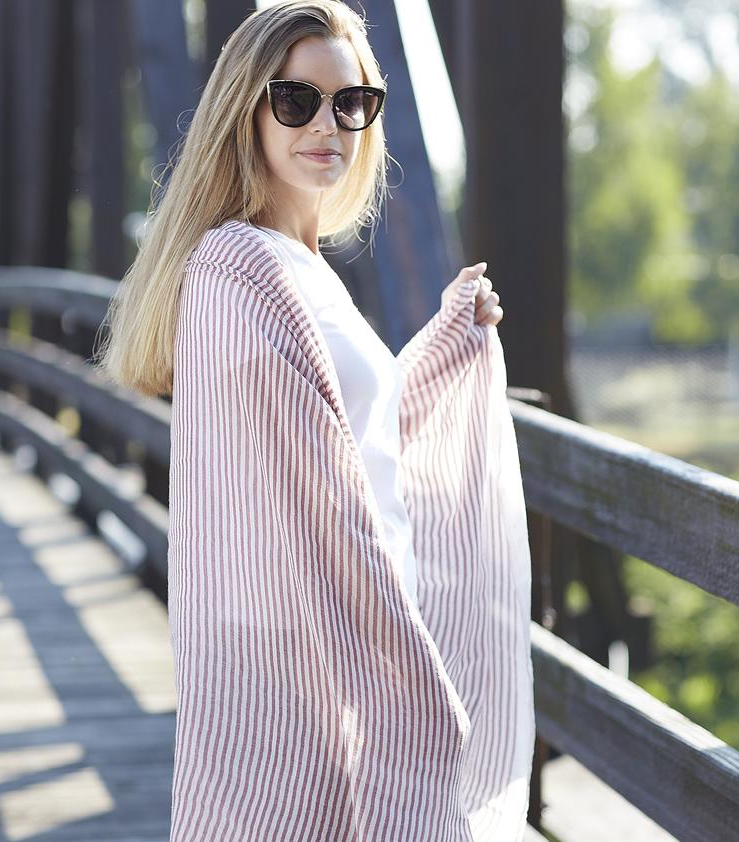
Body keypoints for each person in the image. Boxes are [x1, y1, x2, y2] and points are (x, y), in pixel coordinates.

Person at [93, 2, 532, 840]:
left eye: (351, 102)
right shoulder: (242, 266)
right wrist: (406, 670)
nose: (327, 125)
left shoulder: (299, 266)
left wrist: (449, 340)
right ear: (246, 110)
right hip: (307, 657)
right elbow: (321, 492)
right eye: (296, 101)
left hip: (332, 640)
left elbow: (353, 436)